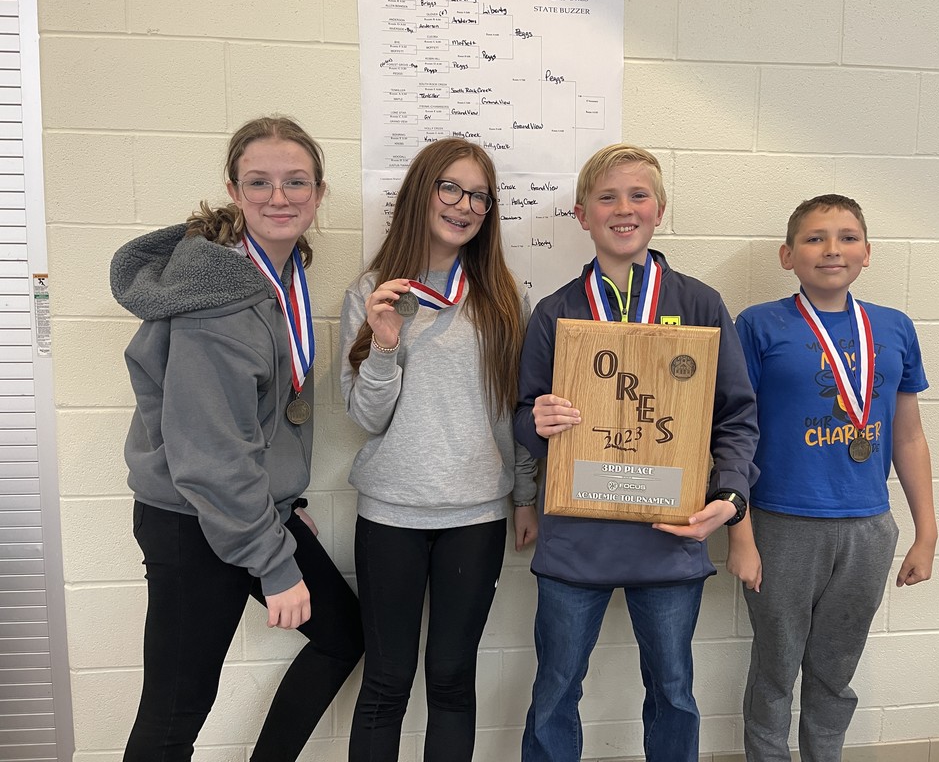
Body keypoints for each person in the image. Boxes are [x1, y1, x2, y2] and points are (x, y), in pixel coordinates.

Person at [110, 116, 363, 762]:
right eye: (260, 182)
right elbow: (211, 454)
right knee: (175, 714)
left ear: (319, 191)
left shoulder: (275, 275)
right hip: (194, 520)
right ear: (233, 188)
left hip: (247, 507)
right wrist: (275, 564)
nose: (280, 197)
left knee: (342, 633)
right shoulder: (219, 301)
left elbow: (257, 417)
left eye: (295, 182)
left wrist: (279, 494)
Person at [514, 143, 760, 762]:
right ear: (581, 215)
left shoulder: (700, 304)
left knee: (674, 692)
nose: (623, 209)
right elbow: (521, 418)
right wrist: (535, 421)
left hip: (671, 536)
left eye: (638, 195)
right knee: (554, 692)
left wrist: (728, 497)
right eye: (607, 197)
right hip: (576, 540)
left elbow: (736, 416)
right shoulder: (555, 312)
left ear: (660, 209)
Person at [338, 137, 538, 762]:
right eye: (450, 187)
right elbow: (367, 417)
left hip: (475, 516)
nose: (464, 204)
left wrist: (526, 496)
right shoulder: (373, 291)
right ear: (422, 193)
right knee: (387, 681)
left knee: (452, 678)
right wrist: (386, 343)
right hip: (391, 513)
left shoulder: (505, 298)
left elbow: (516, 409)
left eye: (479, 195)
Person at [733, 194, 937, 762]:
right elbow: (732, 436)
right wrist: (741, 535)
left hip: (868, 527)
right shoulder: (758, 325)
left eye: (847, 237)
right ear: (787, 255)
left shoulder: (894, 328)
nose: (832, 249)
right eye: (815, 237)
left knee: (835, 668)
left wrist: (926, 532)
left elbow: (909, 436)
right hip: (782, 523)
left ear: (867, 253)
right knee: (775, 668)